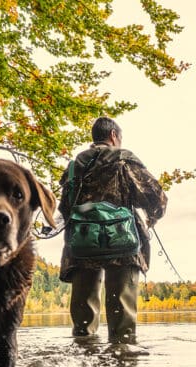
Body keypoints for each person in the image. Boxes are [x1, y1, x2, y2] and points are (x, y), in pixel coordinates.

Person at [58, 117, 168, 344]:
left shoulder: (74, 167)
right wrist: (152, 218)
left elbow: (64, 208)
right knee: (122, 320)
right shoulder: (124, 161)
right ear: (113, 136)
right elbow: (156, 198)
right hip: (122, 244)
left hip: (81, 246)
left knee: (83, 322)